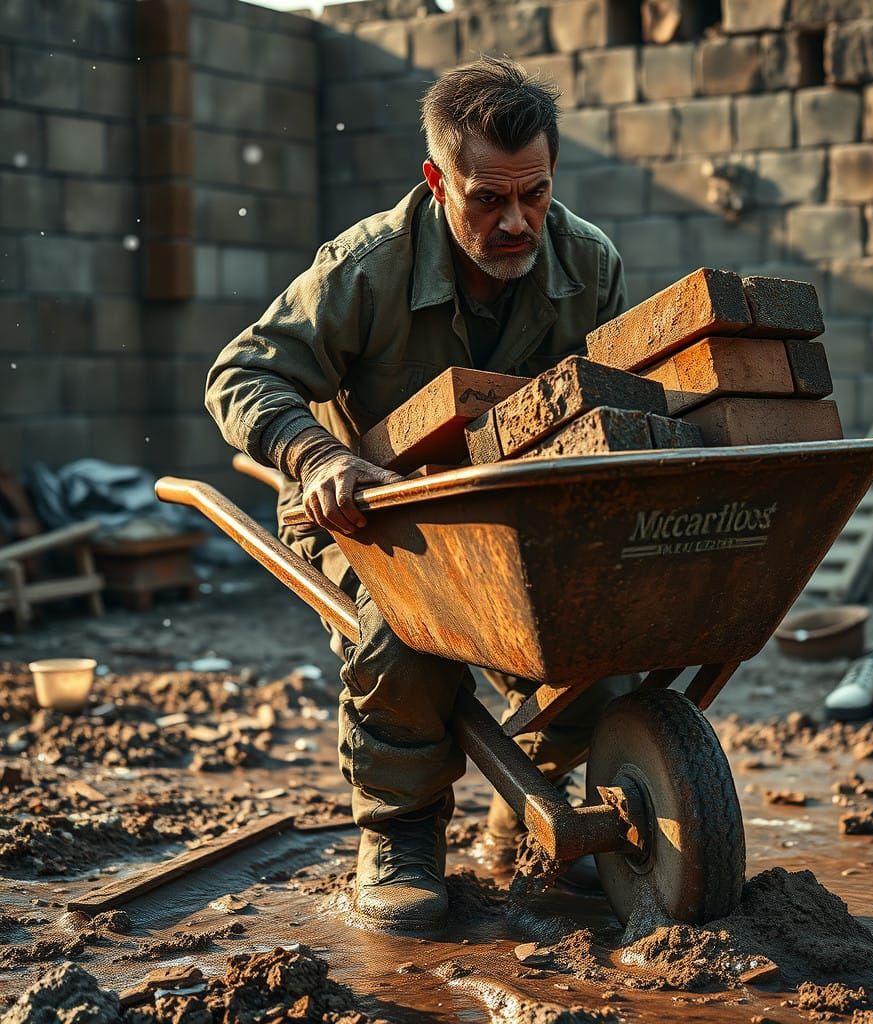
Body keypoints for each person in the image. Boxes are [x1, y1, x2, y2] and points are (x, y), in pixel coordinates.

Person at [205, 56, 638, 931]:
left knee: (592, 623)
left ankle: (539, 795)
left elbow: (618, 393)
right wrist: (312, 453)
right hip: (369, 510)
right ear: (438, 180)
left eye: (535, 194)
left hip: (517, 509)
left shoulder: (588, 264)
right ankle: (400, 833)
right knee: (409, 640)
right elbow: (241, 373)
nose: (516, 221)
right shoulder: (363, 270)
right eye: (487, 199)